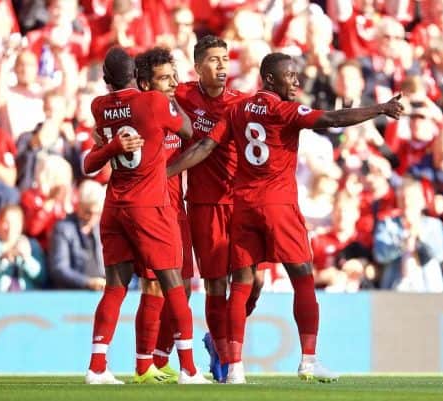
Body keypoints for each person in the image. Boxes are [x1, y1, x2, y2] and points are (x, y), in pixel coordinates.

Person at [170, 52, 403, 383]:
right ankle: (308, 361)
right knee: (303, 278)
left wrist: (165, 171)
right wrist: (379, 109)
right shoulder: (285, 111)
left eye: (297, 76)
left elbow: (205, 146)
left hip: (244, 207)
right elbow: (334, 120)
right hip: (279, 206)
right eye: (290, 76)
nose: (296, 82)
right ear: (270, 79)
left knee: (241, 285)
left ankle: (234, 368)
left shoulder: (236, 109)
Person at [83, 46, 209, 385]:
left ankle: (97, 367)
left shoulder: (99, 106)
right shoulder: (151, 103)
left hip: (114, 206)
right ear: (138, 78)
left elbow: (89, 163)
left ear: (106, 79)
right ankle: (189, 370)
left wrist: (110, 145)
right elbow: (187, 131)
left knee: (115, 288)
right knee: (174, 286)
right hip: (148, 206)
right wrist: (170, 103)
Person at [171, 35, 265, 382]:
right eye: (213, 59)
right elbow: (146, 99)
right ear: (197, 68)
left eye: (225, 58)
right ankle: (226, 359)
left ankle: (219, 339)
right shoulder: (182, 95)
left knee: (255, 280)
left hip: (240, 203)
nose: (222, 65)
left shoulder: (240, 103)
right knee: (214, 285)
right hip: (204, 204)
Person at [131, 47, 194, 383]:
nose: (173, 84)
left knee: (183, 287)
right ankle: (144, 364)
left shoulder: (177, 103)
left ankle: (159, 356)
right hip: (150, 209)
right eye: (164, 78)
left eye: (174, 76)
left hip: (176, 208)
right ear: (144, 83)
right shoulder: (137, 111)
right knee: (154, 287)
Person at [49, 179, 107, 290]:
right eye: (88, 212)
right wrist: (88, 282)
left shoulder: (102, 228)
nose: (92, 218)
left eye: (97, 213)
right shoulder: (63, 229)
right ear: (79, 206)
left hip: (101, 290)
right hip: (72, 294)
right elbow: (59, 268)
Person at [0, 204, 47, 291]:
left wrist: (27, 258)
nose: (10, 227)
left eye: (14, 223)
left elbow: (42, 278)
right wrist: (2, 260)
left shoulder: (32, 245)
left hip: (27, 299)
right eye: (6, 222)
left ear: (21, 225)